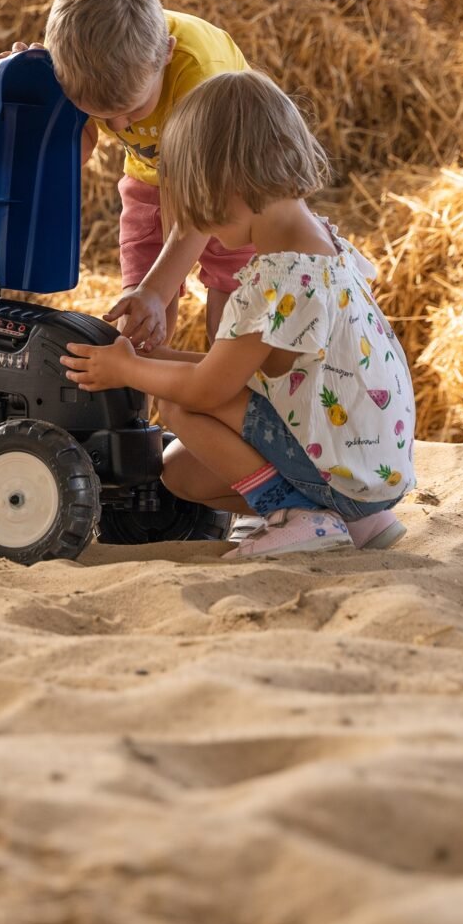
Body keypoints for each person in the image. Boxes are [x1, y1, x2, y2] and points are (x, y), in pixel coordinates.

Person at [60, 69, 415, 558]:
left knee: (182, 407)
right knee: (182, 471)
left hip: (340, 474)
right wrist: (160, 356)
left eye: (197, 210)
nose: (198, 228)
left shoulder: (277, 281)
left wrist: (129, 370)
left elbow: (207, 390)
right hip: (371, 469)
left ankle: (299, 516)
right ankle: (361, 524)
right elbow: (254, 374)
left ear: (227, 189)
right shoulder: (321, 248)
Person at [0, 0, 253, 349]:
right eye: (101, 115)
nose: (118, 128)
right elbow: (77, 152)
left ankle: (224, 392)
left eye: (133, 111)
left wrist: (157, 290)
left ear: (166, 54)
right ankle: (147, 403)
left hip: (229, 180)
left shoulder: (202, 76)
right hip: (150, 178)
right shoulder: (82, 67)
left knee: (230, 297)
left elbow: (203, 207)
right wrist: (40, 101)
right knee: (139, 312)